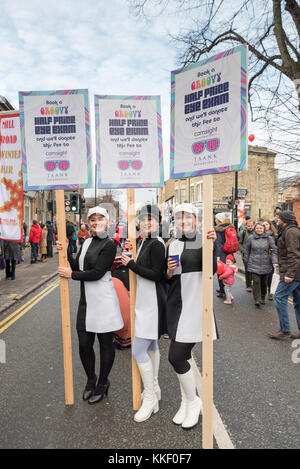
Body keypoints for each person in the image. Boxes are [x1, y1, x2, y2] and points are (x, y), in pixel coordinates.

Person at [57, 207, 123, 404]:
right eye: (92, 219)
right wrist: (67, 249)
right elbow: (76, 266)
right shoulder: (86, 242)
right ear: (88, 223)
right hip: (86, 301)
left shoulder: (110, 244)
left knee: (104, 344)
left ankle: (103, 383)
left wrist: (71, 276)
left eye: (100, 219)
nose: (95, 222)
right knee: (84, 345)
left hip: (103, 299)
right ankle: (91, 379)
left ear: (107, 222)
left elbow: (97, 273)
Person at [166, 203, 217, 429]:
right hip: (177, 305)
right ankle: (186, 401)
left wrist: (213, 245)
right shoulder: (173, 244)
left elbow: (212, 270)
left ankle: (194, 401)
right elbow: (169, 277)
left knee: (176, 357)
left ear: (195, 219)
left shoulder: (205, 241)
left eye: (188, 217)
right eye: (179, 218)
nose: (183, 221)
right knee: (181, 357)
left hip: (196, 305)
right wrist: (167, 271)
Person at [121, 204, 167, 423]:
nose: (147, 223)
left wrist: (132, 265)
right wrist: (132, 253)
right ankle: (155, 389)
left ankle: (149, 397)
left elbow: (157, 275)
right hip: (145, 301)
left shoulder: (156, 244)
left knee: (138, 350)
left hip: (153, 302)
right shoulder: (145, 242)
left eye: (152, 219)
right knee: (151, 346)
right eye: (143, 219)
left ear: (159, 222)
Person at [268, 211, 300, 340]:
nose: (277, 219)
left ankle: (285, 329)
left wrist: (289, 274)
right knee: (298, 302)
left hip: (292, 273)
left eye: (279, 218)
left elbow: (294, 254)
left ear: (285, 220)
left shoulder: (291, 232)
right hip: (296, 273)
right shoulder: (289, 230)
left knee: (280, 298)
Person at [243, 222, 278, 307]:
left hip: (266, 263)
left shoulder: (269, 238)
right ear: (255, 229)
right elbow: (247, 250)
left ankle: (262, 296)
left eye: (260, 228)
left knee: (264, 282)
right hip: (253, 262)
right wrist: (245, 260)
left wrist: (274, 261)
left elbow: (274, 251)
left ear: (264, 229)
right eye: (257, 228)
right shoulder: (251, 238)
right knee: (256, 281)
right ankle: (257, 299)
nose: (259, 230)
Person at [215, 212, 239, 298]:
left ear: (219, 220)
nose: (215, 220)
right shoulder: (231, 227)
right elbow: (238, 238)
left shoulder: (218, 229)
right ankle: (225, 288)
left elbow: (218, 243)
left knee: (220, 272)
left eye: (216, 219)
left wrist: (217, 255)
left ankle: (223, 291)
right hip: (229, 254)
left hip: (221, 254)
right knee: (228, 272)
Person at [263, 219, 277, 300]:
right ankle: (263, 292)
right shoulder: (259, 234)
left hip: (271, 257)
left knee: (270, 275)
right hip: (261, 257)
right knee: (264, 276)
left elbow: (276, 247)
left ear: (270, 225)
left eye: (267, 224)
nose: (265, 226)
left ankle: (270, 292)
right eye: (264, 225)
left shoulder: (274, 235)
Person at [239, 219, 255, 292]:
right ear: (246, 226)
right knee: (248, 270)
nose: (250, 227)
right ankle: (249, 285)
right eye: (249, 226)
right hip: (246, 255)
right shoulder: (243, 232)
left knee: (254, 270)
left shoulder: (256, 232)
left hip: (255, 254)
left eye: (251, 226)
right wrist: (243, 251)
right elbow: (240, 243)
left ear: (254, 226)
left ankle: (254, 284)